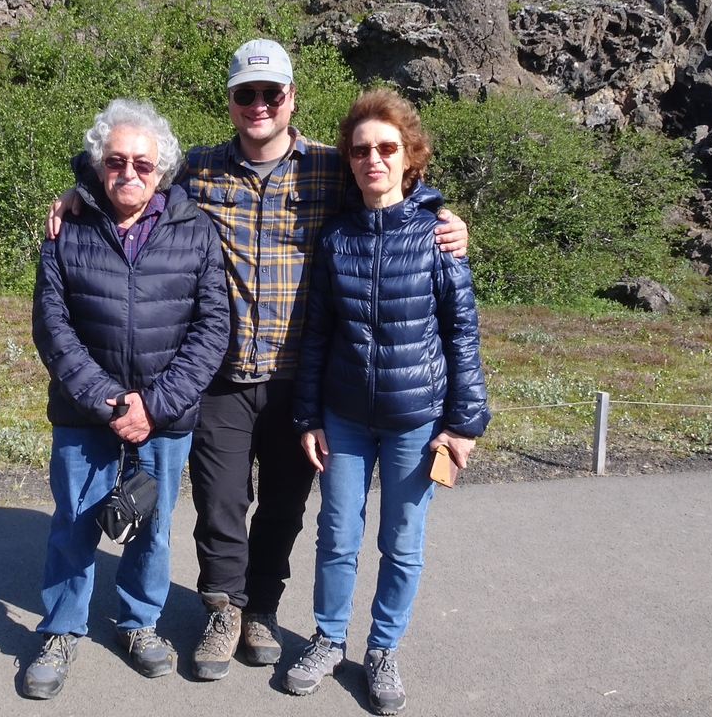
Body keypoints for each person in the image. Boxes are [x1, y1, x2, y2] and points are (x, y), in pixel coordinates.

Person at [45, 39, 470, 682]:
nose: (260, 105)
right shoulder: (202, 170)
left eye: (272, 93)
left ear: (291, 97)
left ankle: (261, 610)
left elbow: (394, 187)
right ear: (232, 101)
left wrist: (444, 214)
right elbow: (132, 174)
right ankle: (222, 607)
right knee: (219, 507)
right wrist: (77, 190)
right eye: (247, 94)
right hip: (221, 373)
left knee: (282, 507)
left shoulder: (330, 167)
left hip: (303, 377)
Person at [283, 88, 491, 715]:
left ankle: (382, 649)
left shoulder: (438, 237)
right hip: (344, 417)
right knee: (336, 536)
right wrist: (308, 415)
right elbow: (316, 331)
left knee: (401, 544)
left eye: (387, 148)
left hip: (414, 420)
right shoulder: (335, 238)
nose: (373, 159)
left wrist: (464, 423)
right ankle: (327, 638)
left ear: (409, 157)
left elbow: (462, 333)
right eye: (361, 150)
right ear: (349, 159)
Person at [26, 98, 229, 700]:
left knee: (152, 526)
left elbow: (213, 327)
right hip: (85, 411)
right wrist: (109, 400)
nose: (129, 173)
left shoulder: (194, 228)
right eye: (116, 161)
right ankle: (61, 629)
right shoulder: (70, 225)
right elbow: (51, 325)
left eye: (143, 163)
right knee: (74, 523)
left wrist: (155, 406)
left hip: (163, 416)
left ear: (162, 167)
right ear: (98, 163)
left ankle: (139, 624)